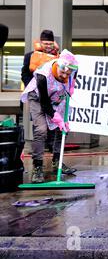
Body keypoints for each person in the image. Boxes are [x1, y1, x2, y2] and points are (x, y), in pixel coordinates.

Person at [20, 49, 78, 184]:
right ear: (57, 65)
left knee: (62, 129)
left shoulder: (73, 69)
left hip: (59, 95)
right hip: (39, 97)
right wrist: (56, 117)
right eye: (62, 72)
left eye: (67, 74)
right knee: (41, 130)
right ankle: (38, 167)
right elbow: (45, 104)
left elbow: (72, 78)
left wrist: (71, 86)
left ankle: (57, 161)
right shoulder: (43, 75)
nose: (64, 75)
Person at [21, 30, 60, 152]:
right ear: (40, 43)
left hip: (53, 96)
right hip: (36, 95)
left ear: (54, 43)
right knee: (40, 128)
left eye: (50, 43)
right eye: (45, 43)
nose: (48, 46)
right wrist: (32, 87)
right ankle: (37, 161)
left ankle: (55, 156)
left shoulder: (59, 57)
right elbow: (25, 74)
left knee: (56, 127)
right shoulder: (30, 56)